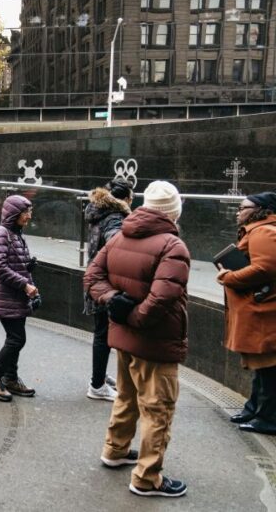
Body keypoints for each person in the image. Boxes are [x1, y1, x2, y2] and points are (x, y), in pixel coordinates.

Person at [84, 180, 190, 498]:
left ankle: (115, 450)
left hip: (123, 336)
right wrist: (133, 316)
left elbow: (92, 276)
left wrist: (112, 300)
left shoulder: (121, 236)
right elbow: (161, 299)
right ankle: (147, 478)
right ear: (173, 211)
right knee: (158, 409)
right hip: (155, 342)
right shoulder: (173, 246)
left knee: (126, 396)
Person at [217, 191, 276, 436]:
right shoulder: (256, 230)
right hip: (259, 308)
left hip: (263, 311)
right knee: (261, 366)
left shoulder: (264, 232)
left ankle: (268, 419)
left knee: (268, 367)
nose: (238, 212)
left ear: (260, 210)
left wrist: (229, 277)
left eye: (243, 208)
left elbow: (264, 268)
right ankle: (254, 409)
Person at [0, 195, 39, 402]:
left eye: (29, 212)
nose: (29, 216)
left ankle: (11, 378)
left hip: (17, 297)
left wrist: (29, 279)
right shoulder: (1, 234)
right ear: (14, 214)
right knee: (17, 339)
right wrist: (24, 284)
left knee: (14, 339)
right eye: (25, 212)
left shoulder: (16, 234)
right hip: (6, 296)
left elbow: (19, 267)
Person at [84, 178, 133, 402]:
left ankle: (99, 376)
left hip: (96, 279)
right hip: (106, 283)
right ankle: (97, 385)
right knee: (103, 334)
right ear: (126, 199)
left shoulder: (99, 212)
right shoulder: (115, 217)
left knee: (101, 332)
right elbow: (116, 243)